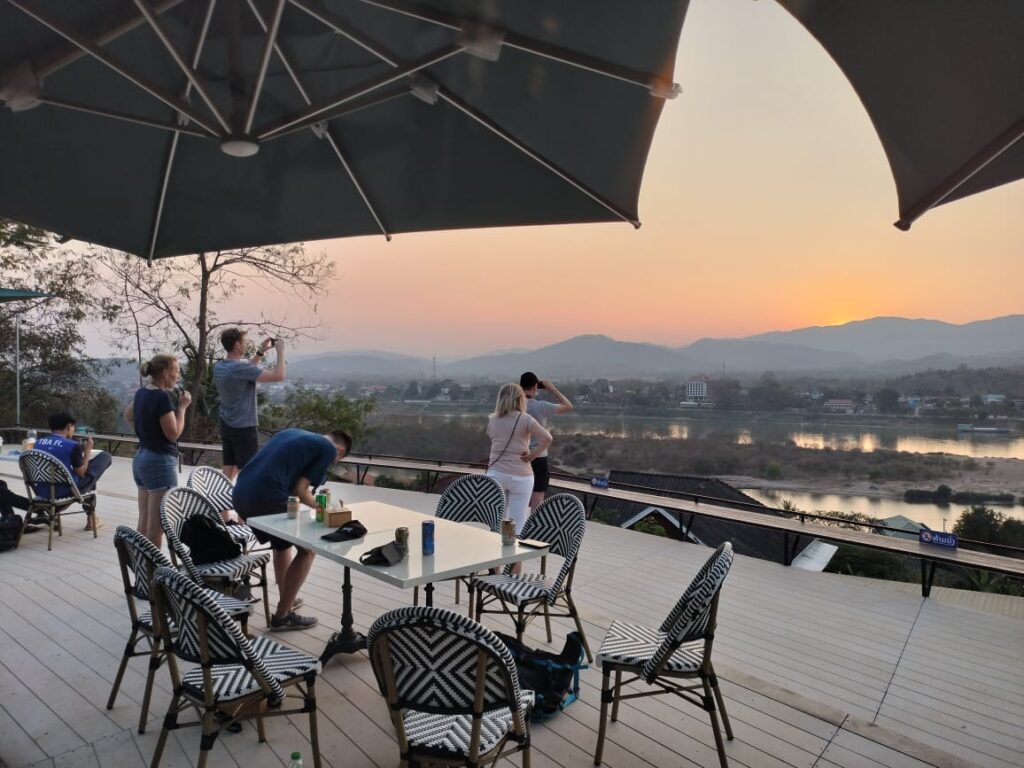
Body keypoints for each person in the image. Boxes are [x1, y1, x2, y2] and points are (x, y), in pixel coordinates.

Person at [232, 428, 352, 631]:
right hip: (266, 498)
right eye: (336, 460)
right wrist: (325, 510)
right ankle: (282, 615)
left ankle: (287, 599)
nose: (333, 462)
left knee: (282, 545)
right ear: (339, 450)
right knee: (307, 550)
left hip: (241, 495)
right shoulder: (328, 449)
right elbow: (300, 489)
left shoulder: (290, 433)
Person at [123, 354, 191, 549]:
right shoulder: (161, 397)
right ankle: (153, 574)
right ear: (164, 372)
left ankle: (140, 569)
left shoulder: (142, 392)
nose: (178, 377)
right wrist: (183, 408)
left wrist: (145, 435)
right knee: (157, 526)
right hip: (159, 462)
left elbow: (128, 416)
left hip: (141, 459)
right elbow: (173, 434)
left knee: (144, 521)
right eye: (176, 372)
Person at [213, 328, 286, 480]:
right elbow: (279, 376)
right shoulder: (240, 369)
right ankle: (243, 503)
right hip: (243, 427)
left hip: (226, 424)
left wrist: (260, 353)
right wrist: (280, 352)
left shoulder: (220, 367)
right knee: (248, 472)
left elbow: (245, 372)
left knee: (228, 469)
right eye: (244, 342)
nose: (246, 345)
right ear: (237, 345)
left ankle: (221, 500)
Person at [486, 383, 552, 541]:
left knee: (496, 520)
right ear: (520, 399)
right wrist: (532, 455)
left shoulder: (492, 420)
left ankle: (495, 562)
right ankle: (511, 557)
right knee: (515, 522)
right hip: (520, 476)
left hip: (496, 475)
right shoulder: (525, 419)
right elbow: (547, 438)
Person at [33, 412, 113, 529]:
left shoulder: (37, 443)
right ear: (69, 426)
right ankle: (91, 520)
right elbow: (81, 473)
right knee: (104, 457)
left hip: (42, 491)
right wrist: (87, 451)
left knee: (88, 473)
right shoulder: (73, 445)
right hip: (65, 491)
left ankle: (91, 519)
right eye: (73, 428)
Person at [520, 372, 573, 510]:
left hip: (519, 453)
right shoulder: (541, 406)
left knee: (518, 490)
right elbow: (568, 406)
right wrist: (552, 389)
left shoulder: (514, 406)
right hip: (538, 454)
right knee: (538, 492)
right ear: (534, 387)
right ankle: (533, 527)